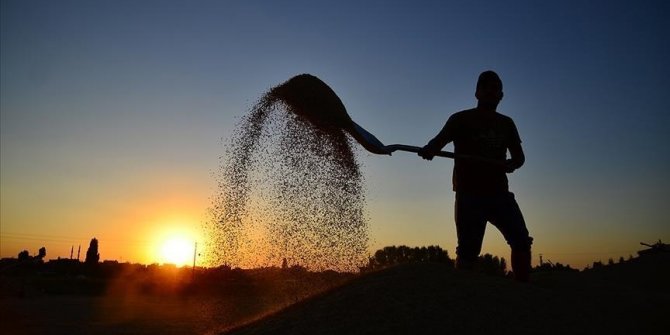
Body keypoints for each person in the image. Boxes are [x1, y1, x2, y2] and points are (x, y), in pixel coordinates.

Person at [418, 70, 533, 282]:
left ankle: (522, 289)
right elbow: (439, 141)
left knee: (521, 240)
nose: (490, 91)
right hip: (469, 194)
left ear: (501, 95)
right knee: (468, 252)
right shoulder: (460, 119)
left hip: (499, 193)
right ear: (477, 93)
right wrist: (430, 150)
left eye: (495, 88)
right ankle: (464, 295)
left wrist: (512, 164)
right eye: (486, 87)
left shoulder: (506, 123)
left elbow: (519, 157)